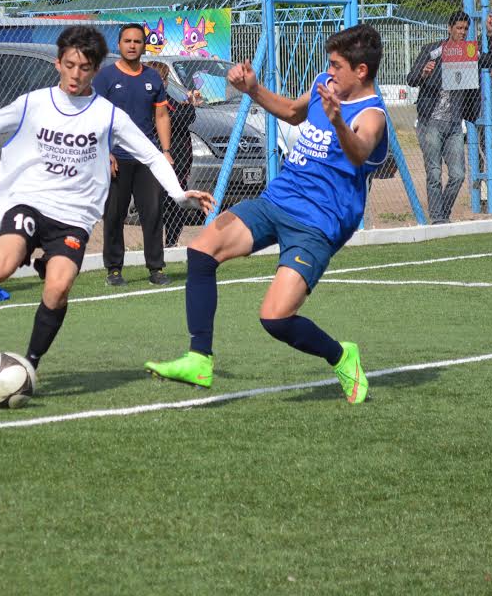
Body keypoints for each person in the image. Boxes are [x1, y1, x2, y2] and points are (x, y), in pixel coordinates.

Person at [0, 26, 214, 376]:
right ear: (59, 63)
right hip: (29, 200)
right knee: (1, 265)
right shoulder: (34, 103)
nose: (76, 74)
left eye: (85, 67)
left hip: (73, 216)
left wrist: (180, 195)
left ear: (94, 70)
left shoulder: (107, 114)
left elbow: (152, 155)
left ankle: (28, 365)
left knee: (58, 288)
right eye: (70, 65)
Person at [145, 24, 390, 403]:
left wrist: (337, 119)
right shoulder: (326, 84)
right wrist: (252, 90)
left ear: (361, 71)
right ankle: (199, 358)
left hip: (318, 224)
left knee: (275, 319)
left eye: (337, 65)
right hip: (277, 200)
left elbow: (359, 152)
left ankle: (342, 356)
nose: (330, 70)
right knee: (202, 250)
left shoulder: (371, 116)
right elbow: (293, 112)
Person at [94, 23, 173, 286]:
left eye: (137, 41)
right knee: (114, 215)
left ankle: (156, 269)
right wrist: (104, 152)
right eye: (127, 41)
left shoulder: (152, 78)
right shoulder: (104, 78)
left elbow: (161, 115)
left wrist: (165, 152)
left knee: (152, 213)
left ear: (144, 45)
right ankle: (114, 270)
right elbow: (95, 119)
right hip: (115, 157)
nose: (132, 45)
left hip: (147, 158)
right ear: (119, 44)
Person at [406, 11, 492, 223]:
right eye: (458, 28)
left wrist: (490, 34)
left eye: (465, 29)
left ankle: (442, 213)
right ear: (449, 28)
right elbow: (411, 79)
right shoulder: (433, 50)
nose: (461, 32)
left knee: (458, 175)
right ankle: (438, 219)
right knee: (434, 173)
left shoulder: (469, 52)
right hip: (430, 122)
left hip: (454, 124)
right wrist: (424, 73)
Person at [148, 61, 199, 248]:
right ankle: (154, 243)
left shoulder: (167, 98)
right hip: (160, 156)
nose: (164, 83)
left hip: (179, 157)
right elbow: (176, 117)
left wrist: (188, 104)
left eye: (164, 79)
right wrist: (189, 107)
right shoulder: (149, 99)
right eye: (161, 79)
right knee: (156, 200)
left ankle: (171, 242)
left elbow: (182, 114)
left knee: (177, 201)